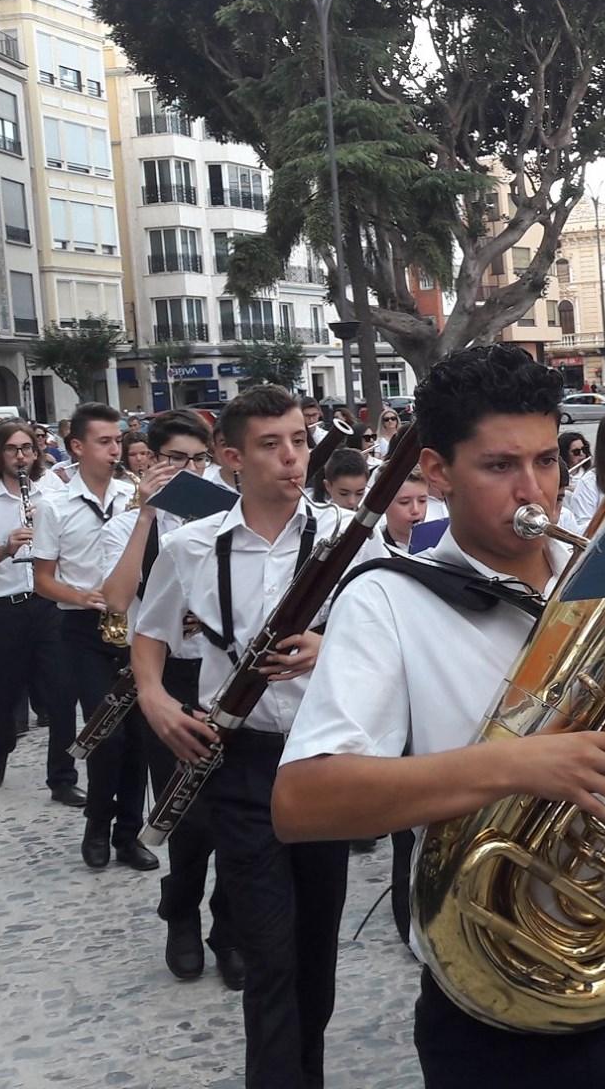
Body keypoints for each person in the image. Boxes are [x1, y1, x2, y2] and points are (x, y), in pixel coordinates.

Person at [273, 346, 605, 1088]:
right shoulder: (387, 601)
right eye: (499, 467)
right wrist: (519, 764)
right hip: (497, 1009)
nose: (534, 492)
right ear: (436, 471)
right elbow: (301, 802)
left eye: (548, 462)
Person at [130, 384, 385, 1089]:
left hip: (322, 759)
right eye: (271, 446)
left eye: (300, 441)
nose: (291, 458)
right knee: (268, 955)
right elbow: (148, 634)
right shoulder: (189, 545)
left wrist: (327, 647)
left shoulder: (348, 539)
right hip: (237, 763)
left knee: (314, 955)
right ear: (230, 457)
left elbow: (388, 644)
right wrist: (154, 699)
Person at [97, 410, 242, 990]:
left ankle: (228, 931)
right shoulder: (127, 520)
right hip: (167, 681)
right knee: (187, 819)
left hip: (226, 677)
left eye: (196, 459)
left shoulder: (229, 517)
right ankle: (180, 913)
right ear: (149, 460)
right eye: (173, 459)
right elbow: (113, 599)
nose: (187, 470)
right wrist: (147, 515)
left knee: (237, 817)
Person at [31, 403, 143, 870]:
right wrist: (82, 597)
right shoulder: (53, 505)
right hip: (83, 629)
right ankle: (98, 823)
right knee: (106, 735)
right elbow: (42, 579)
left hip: (135, 626)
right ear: (76, 447)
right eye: (104, 441)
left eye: (118, 440)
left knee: (138, 736)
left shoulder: (133, 496)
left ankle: (128, 834)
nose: (116, 449)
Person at [0, 419, 79, 803]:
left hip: (48, 604)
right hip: (1, 610)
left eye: (26, 449)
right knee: (5, 696)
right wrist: (5, 548)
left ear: (36, 453)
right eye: (12, 449)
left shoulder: (54, 492)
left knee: (61, 695)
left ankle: (62, 778)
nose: (20, 456)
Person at [379, 467, 434, 554]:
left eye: (422, 500)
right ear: (383, 504)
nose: (416, 510)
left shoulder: (439, 542)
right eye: (404, 502)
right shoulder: (372, 547)